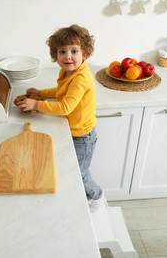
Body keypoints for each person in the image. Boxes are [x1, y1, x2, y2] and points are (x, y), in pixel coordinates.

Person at [16, 24, 104, 213]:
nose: (68, 56)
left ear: (85, 53)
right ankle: (85, 196)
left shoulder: (81, 78)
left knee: (80, 172)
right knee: (76, 170)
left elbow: (65, 106)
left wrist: (36, 104)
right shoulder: (68, 73)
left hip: (82, 136)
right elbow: (61, 92)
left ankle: (96, 196)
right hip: (74, 131)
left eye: (74, 51)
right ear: (55, 55)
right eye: (62, 51)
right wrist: (41, 92)